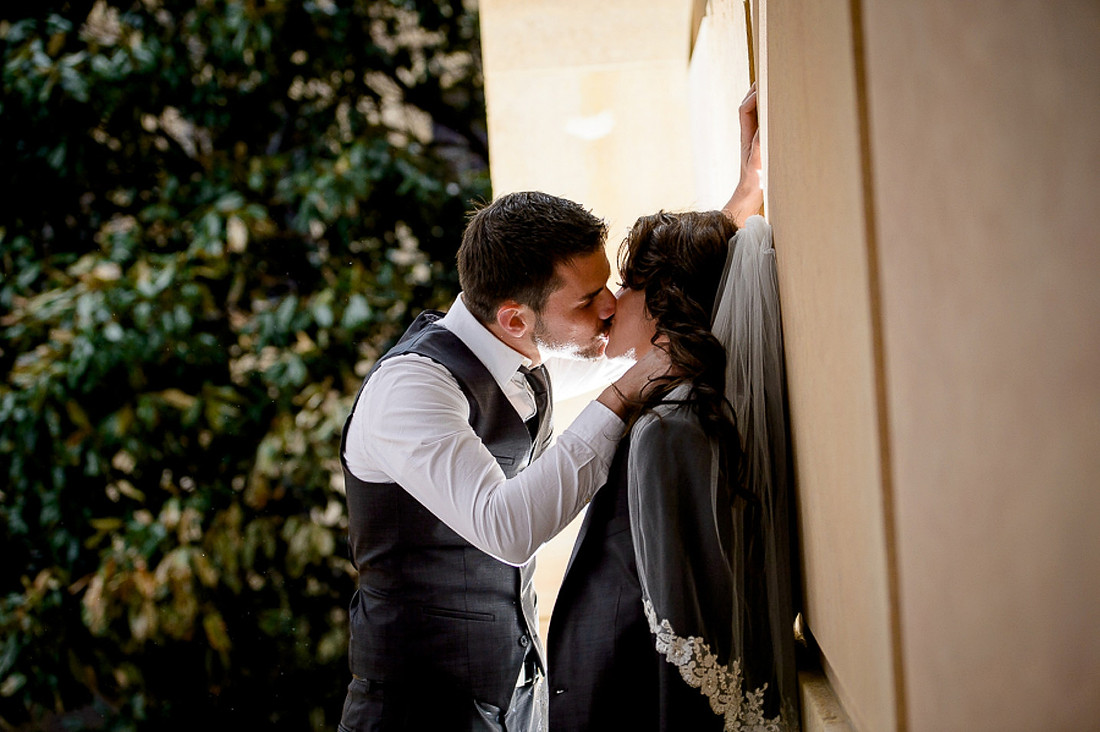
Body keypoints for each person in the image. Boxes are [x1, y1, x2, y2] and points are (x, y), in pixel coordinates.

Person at [546, 96, 800, 730]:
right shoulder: (690, 407)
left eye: (627, 284)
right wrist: (744, 194)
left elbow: (685, 635)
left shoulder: (669, 428)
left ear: (663, 301)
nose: (612, 303)